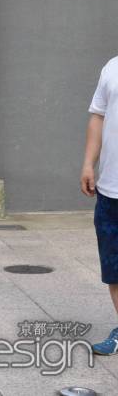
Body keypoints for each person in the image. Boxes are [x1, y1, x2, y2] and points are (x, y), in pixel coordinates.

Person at [81, 55, 118, 355]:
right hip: (110, 190)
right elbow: (98, 116)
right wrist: (88, 164)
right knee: (114, 268)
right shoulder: (112, 66)